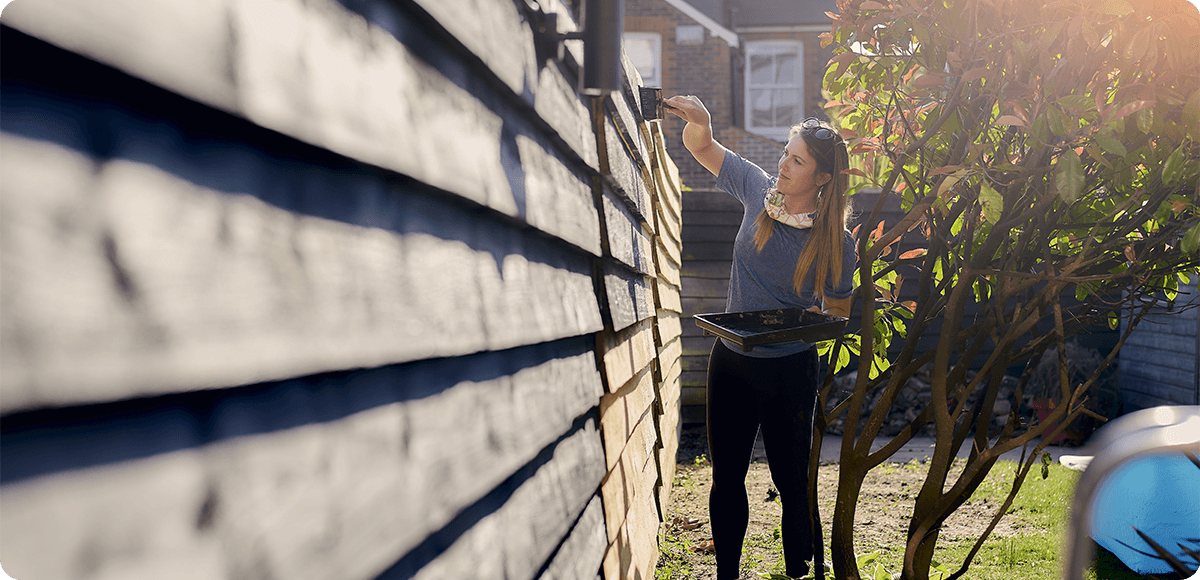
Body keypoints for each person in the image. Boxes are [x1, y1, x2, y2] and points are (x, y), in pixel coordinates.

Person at [664, 95, 856, 580]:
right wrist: (701, 122)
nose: (783, 164)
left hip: (791, 370)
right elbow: (704, 147)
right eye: (786, 153)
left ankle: (798, 571)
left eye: (797, 160)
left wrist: (813, 316)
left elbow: (839, 311)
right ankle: (726, 573)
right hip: (731, 360)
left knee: (791, 482)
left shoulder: (837, 241)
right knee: (726, 477)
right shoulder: (757, 190)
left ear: (823, 178)